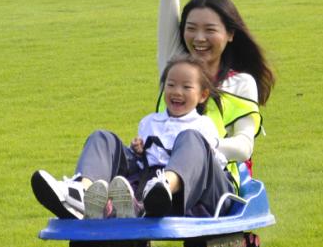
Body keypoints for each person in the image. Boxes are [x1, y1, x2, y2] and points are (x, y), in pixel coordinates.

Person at [30, 0, 275, 221]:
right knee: (103, 138)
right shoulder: (175, 67)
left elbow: (244, 145)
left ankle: (167, 187)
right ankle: (80, 193)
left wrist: (190, 148)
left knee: (193, 139)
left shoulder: (240, 83)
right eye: (191, 28)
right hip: (150, 176)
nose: (199, 38)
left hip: (213, 185)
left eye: (210, 30)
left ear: (231, 34)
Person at [80, 54, 223, 218]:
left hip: (186, 191)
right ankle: (84, 193)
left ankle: (162, 189)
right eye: (171, 85)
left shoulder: (203, 125)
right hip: (146, 181)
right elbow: (140, 162)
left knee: (190, 137)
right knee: (102, 137)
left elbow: (209, 163)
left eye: (186, 87)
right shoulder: (149, 122)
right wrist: (137, 151)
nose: (177, 91)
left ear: (203, 95)